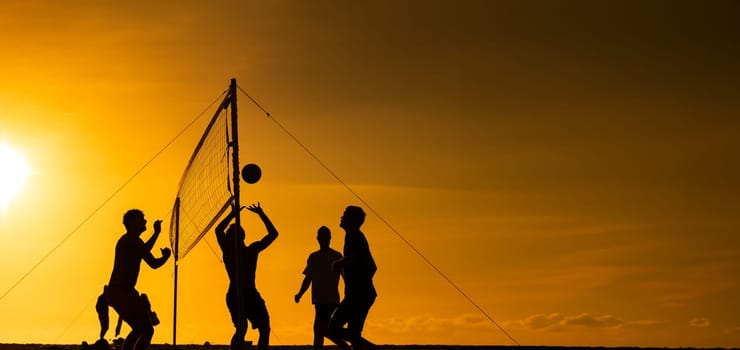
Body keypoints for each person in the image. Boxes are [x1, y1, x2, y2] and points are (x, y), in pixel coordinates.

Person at [215, 202, 278, 350]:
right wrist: (234, 214)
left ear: (241, 237)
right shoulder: (231, 252)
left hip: (248, 293)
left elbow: (273, 235)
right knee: (244, 329)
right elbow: (218, 230)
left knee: (261, 328)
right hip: (238, 293)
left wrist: (259, 214)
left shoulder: (250, 250)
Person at [105, 209, 171, 350]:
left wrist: (156, 233)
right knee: (147, 329)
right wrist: (165, 257)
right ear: (133, 222)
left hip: (120, 292)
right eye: (142, 218)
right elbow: (152, 262)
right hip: (121, 292)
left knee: (139, 329)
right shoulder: (131, 241)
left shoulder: (130, 241)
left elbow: (144, 250)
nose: (145, 221)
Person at [327, 206, 377, 350]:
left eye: (344, 215)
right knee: (354, 336)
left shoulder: (353, 236)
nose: (341, 217)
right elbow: (372, 266)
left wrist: (339, 263)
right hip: (361, 294)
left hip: (358, 295)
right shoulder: (355, 236)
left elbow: (354, 259)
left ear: (351, 220)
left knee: (333, 329)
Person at [294, 226, 344, 350]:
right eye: (321, 236)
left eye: (324, 236)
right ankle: (344, 346)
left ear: (329, 238)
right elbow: (308, 278)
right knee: (321, 330)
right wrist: (300, 293)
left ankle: (344, 346)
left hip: (331, 299)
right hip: (319, 300)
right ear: (318, 238)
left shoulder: (337, 256)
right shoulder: (313, 257)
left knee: (321, 329)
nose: (322, 239)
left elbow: (345, 276)